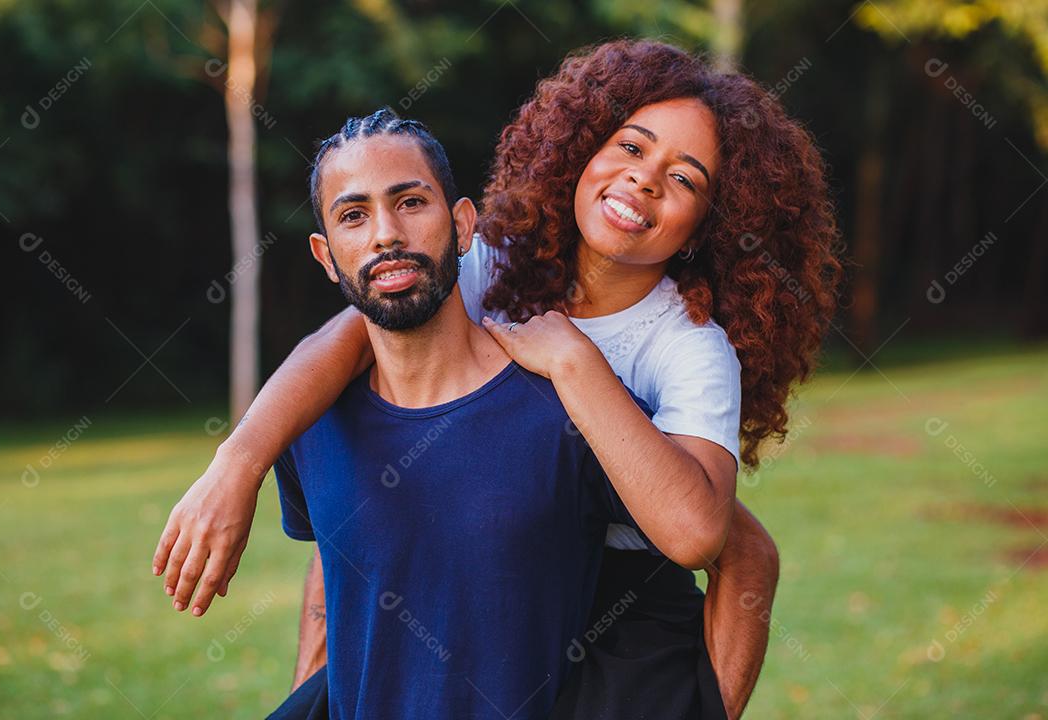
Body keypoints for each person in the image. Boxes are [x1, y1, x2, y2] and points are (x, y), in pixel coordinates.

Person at [155, 39, 842, 719]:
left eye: (685, 177)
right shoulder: (490, 263)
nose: (644, 179)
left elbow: (717, 541)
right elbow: (352, 337)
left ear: (702, 228)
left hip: (615, 604)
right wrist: (238, 462)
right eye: (631, 147)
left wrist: (572, 359)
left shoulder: (687, 349)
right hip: (481, 569)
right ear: (583, 152)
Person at [260, 108, 716, 720]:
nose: (385, 234)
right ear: (325, 255)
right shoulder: (311, 423)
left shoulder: (574, 417)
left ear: (464, 224)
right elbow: (342, 569)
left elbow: (719, 538)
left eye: (411, 203)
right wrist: (236, 464)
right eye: (353, 215)